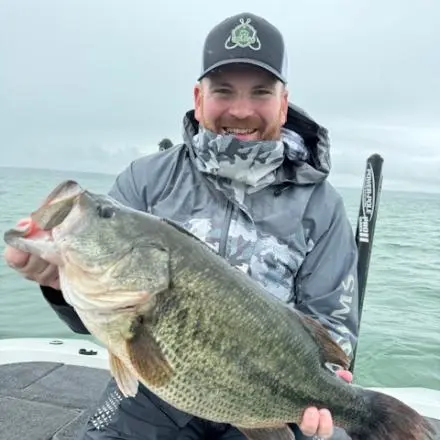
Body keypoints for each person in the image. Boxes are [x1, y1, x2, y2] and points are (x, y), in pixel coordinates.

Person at [4, 12, 359, 440]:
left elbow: (331, 326)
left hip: (271, 401)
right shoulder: (145, 180)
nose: (241, 109)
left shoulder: (323, 206)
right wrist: (58, 282)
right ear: (198, 96)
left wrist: (331, 384)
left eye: (261, 93)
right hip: (157, 388)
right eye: (223, 91)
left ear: (283, 102)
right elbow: (100, 315)